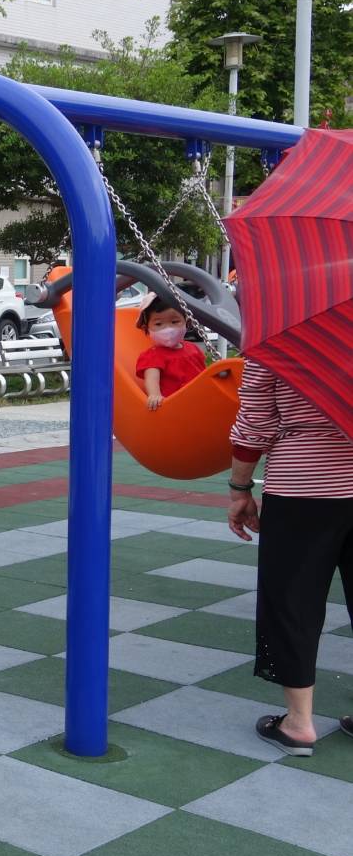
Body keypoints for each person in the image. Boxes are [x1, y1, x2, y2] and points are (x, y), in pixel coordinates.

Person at [229, 360, 353, 755]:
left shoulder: (283, 340)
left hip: (302, 487)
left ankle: (299, 723)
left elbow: (255, 423)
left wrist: (240, 487)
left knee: (293, 601)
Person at [135, 296, 205, 410]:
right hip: (174, 406)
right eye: (158, 324)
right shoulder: (153, 356)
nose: (168, 329)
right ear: (146, 328)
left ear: (186, 322)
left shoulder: (193, 348)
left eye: (174, 322)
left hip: (198, 400)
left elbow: (203, 372)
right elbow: (152, 378)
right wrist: (154, 394)